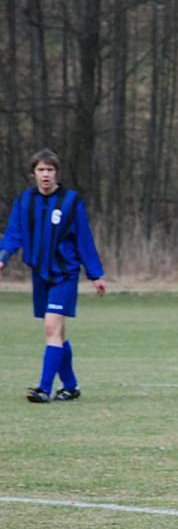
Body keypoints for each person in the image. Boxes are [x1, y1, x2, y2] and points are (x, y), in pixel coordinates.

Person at [0, 148, 106, 402]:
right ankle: (70, 386)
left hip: (65, 275)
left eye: (50, 170)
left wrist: (96, 274)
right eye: (41, 170)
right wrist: (2, 257)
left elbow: (84, 239)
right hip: (40, 275)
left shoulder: (71, 201)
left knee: (51, 327)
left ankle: (44, 389)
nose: (45, 174)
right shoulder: (25, 201)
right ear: (33, 173)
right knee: (58, 332)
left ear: (57, 173)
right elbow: (14, 232)